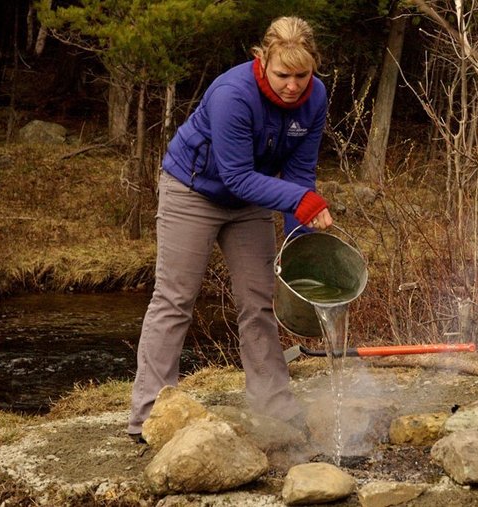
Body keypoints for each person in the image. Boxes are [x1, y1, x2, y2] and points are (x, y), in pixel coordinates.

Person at [127, 16, 331, 440]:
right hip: (193, 190)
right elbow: (236, 175)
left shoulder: (315, 98)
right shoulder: (232, 94)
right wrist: (299, 200)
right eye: (283, 75)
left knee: (258, 302)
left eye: (302, 75)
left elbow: (299, 173)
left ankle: (274, 406)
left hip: (250, 200)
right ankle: (148, 416)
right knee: (175, 299)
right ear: (263, 60)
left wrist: (302, 245)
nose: (292, 86)